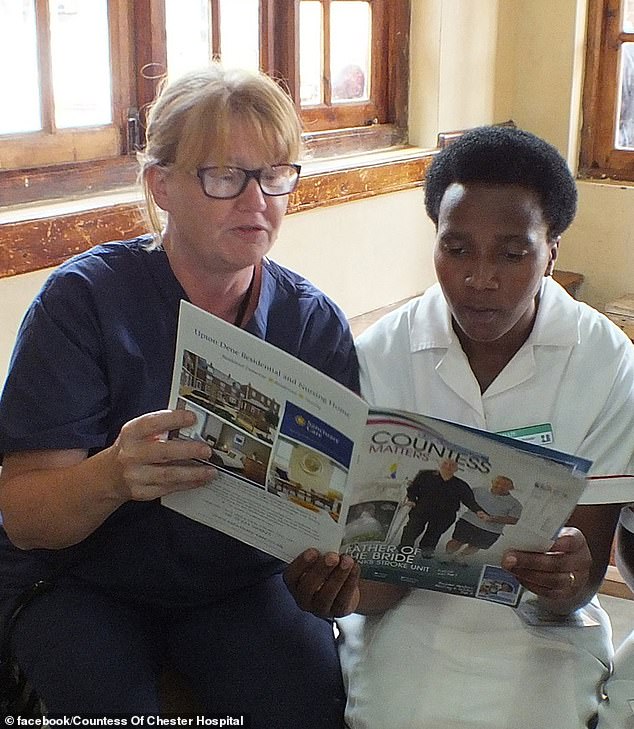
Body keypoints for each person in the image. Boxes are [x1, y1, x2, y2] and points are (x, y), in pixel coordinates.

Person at [0, 64, 359, 725]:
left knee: (308, 703)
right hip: (83, 580)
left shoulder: (312, 324)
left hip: (237, 583)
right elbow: (24, 515)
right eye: (225, 175)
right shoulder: (83, 303)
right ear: (160, 184)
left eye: (275, 174)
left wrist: (334, 568)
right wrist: (112, 473)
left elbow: (330, 506)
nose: (258, 201)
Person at [285, 125, 634, 728]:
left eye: (512, 252)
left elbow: (582, 579)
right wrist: (339, 589)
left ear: (553, 250)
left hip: (539, 627)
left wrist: (568, 577)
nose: (480, 277)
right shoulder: (382, 354)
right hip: (407, 617)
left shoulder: (602, 361)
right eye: (457, 247)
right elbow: (373, 585)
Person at [398, 458, 484, 556]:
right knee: (411, 530)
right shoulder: (425, 475)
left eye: (452, 465)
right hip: (422, 509)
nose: (448, 466)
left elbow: (470, 501)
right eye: (445, 463)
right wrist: (412, 499)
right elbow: (413, 489)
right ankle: (403, 553)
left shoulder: (461, 485)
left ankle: (425, 554)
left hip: (444, 515)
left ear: (456, 469)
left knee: (433, 535)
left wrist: (478, 511)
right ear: (439, 464)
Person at [445, 475, 522, 558]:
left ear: (511, 488)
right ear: (492, 482)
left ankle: (460, 557)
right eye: (497, 483)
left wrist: (491, 519)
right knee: (457, 541)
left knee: (475, 546)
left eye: (505, 485)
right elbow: (464, 499)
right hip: (468, 522)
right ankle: (446, 555)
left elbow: (513, 520)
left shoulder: (515, 504)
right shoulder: (478, 490)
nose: (500, 486)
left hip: (490, 530)